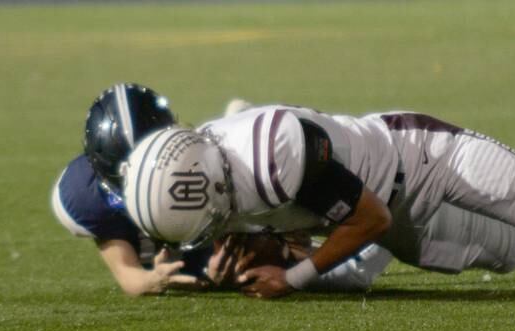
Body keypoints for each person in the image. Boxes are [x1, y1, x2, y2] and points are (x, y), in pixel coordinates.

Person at [122, 104, 515, 299]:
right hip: (373, 204)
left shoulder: (275, 154)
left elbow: (370, 219)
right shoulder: (194, 164)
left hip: (421, 158)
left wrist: (292, 273)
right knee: (508, 250)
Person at [51, 84, 389, 295]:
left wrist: (250, 233)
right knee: (249, 270)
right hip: (183, 254)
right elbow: (128, 275)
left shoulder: (186, 173)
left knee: (284, 255)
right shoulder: (85, 195)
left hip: (210, 218)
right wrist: (159, 278)